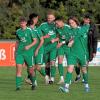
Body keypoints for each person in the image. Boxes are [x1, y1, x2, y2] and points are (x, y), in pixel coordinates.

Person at [59, 16, 90, 93]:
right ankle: (66, 87)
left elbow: (77, 35)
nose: (71, 24)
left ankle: (86, 85)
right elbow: (68, 40)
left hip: (82, 53)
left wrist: (72, 41)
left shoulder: (81, 29)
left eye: (72, 23)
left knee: (84, 70)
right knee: (70, 68)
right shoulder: (69, 31)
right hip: (72, 53)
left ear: (76, 22)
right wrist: (63, 42)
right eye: (69, 23)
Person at [74, 14, 98, 83]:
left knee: (85, 64)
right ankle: (78, 75)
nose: (87, 20)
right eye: (85, 19)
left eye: (88, 19)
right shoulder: (80, 26)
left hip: (87, 49)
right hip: (79, 47)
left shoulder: (93, 27)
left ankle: (85, 78)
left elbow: (95, 40)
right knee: (76, 64)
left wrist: (94, 51)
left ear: (90, 20)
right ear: (83, 19)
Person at [15, 17, 37, 90]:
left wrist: (29, 46)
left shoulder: (30, 30)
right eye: (20, 23)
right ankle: (18, 86)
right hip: (20, 53)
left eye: (23, 23)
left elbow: (35, 41)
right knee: (18, 69)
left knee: (31, 70)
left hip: (28, 53)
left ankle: (33, 83)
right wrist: (15, 52)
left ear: (26, 23)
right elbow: (17, 42)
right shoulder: (18, 31)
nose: (22, 24)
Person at [25, 13, 47, 85]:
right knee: (30, 67)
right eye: (37, 19)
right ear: (33, 19)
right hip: (30, 51)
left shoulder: (37, 30)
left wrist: (37, 49)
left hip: (39, 50)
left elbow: (42, 40)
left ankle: (46, 76)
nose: (37, 20)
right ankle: (34, 81)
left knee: (37, 67)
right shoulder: (26, 30)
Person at [39, 11, 59, 84]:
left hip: (53, 47)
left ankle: (52, 78)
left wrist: (55, 39)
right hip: (45, 47)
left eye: (51, 18)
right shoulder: (43, 25)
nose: (49, 19)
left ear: (54, 18)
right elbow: (37, 34)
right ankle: (47, 77)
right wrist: (44, 37)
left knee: (52, 62)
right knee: (47, 63)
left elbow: (61, 36)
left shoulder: (56, 25)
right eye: (48, 18)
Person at [55, 16, 70, 84]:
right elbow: (58, 36)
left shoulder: (68, 28)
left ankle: (68, 78)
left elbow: (71, 38)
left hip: (68, 46)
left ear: (61, 22)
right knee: (60, 61)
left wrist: (62, 43)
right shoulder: (57, 28)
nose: (56, 25)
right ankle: (61, 78)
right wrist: (56, 40)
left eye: (57, 23)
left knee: (70, 63)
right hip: (61, 47)